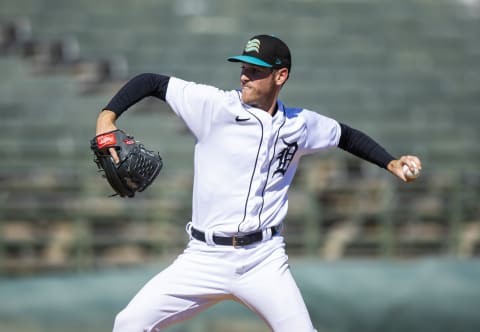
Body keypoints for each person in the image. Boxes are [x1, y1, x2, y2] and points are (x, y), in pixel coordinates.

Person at [95, 34, 422, 332]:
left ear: (280, 76)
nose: (244, 76)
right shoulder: (214, 106)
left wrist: (390, 162)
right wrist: (106, 117)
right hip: (203, 257)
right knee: (129, 323)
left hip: (263, 260)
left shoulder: (300, 124)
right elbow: (151, 82)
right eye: (244, 68)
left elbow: (345, 135)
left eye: (255, 70)